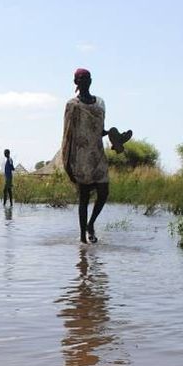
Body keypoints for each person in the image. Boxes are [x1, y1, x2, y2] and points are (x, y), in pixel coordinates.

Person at [61, 67, 130, 244]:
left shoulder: (100, 104)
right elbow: (67, 134)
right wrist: (67, 162)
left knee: (104, 191)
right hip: (81, 157)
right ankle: (83, 239)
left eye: (88, 78)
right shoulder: (72, 105)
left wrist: (112, 135)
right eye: (81, 78)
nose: (85, 81)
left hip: (97, 154)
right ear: (76, 82)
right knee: (83, 196)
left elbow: (98, 131)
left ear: (91, 81)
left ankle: (90, 224)